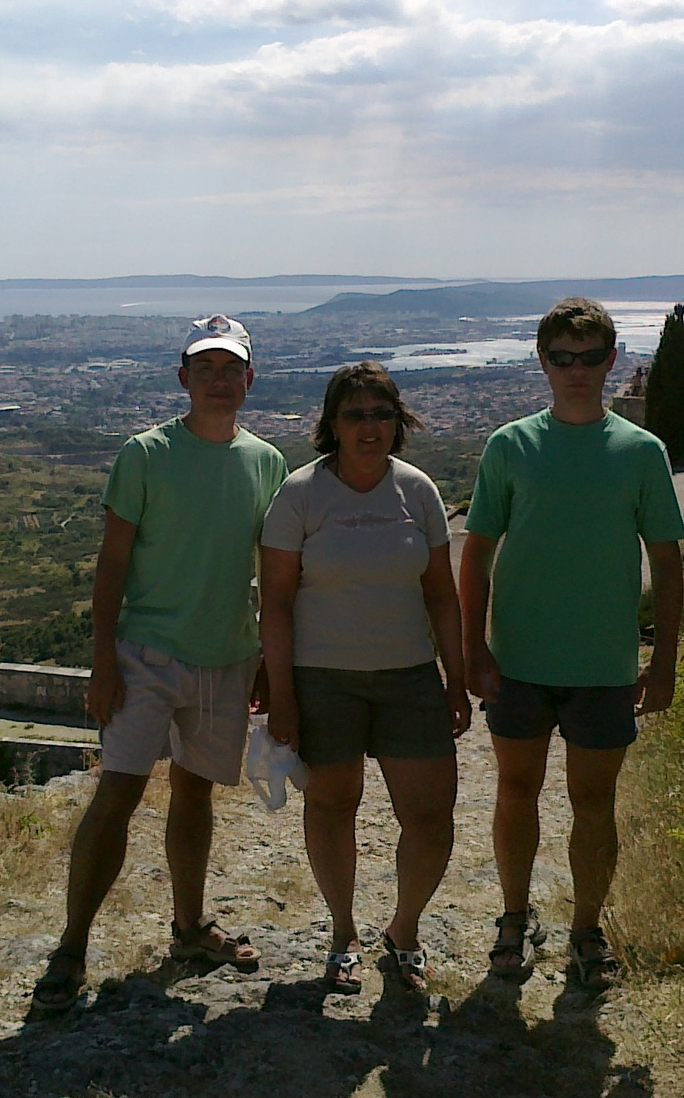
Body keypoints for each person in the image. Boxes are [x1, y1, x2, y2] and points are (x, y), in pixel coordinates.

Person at [30, 314, 288, 1014]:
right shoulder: (144, 454)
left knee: (197, 793)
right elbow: (111, 563)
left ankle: (187, 926)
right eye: (205, 367)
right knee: (117, 791)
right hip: (144, 654)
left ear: (248, 379)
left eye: (230, 367)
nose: (218, 379)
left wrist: (267, 656)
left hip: (228, 655)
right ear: (183, 378)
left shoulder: (267, 463)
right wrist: (102, 663)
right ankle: (72, 946)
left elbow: (270, 570)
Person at [459, 297, 684, 987]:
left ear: (612, 359)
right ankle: (513, 917)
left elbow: (669, 561)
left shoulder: (641, 452)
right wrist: (473, 647)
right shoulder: (510, 446)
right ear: (544, 362)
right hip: (519, 660)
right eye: (563, 358)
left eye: (590, 358)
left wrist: (665, 659)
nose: (577, 371)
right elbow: (476, 554)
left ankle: (587, 928)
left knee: (594, 804)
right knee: (516, 790)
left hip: (603, 665)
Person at [259, 361, 469, 995]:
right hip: (324, 678)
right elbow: (275, 601)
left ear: (398, 422)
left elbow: (440, 593)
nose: (369, 427)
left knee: (431, 815)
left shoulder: (417, 490)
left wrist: (455, 679)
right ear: (332, 425)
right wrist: (283, 698)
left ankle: (403, 930)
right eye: (355, 414)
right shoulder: (300, 494)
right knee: (331, 805)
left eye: (381, 413)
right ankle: (342, 932)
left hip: (407, 675)